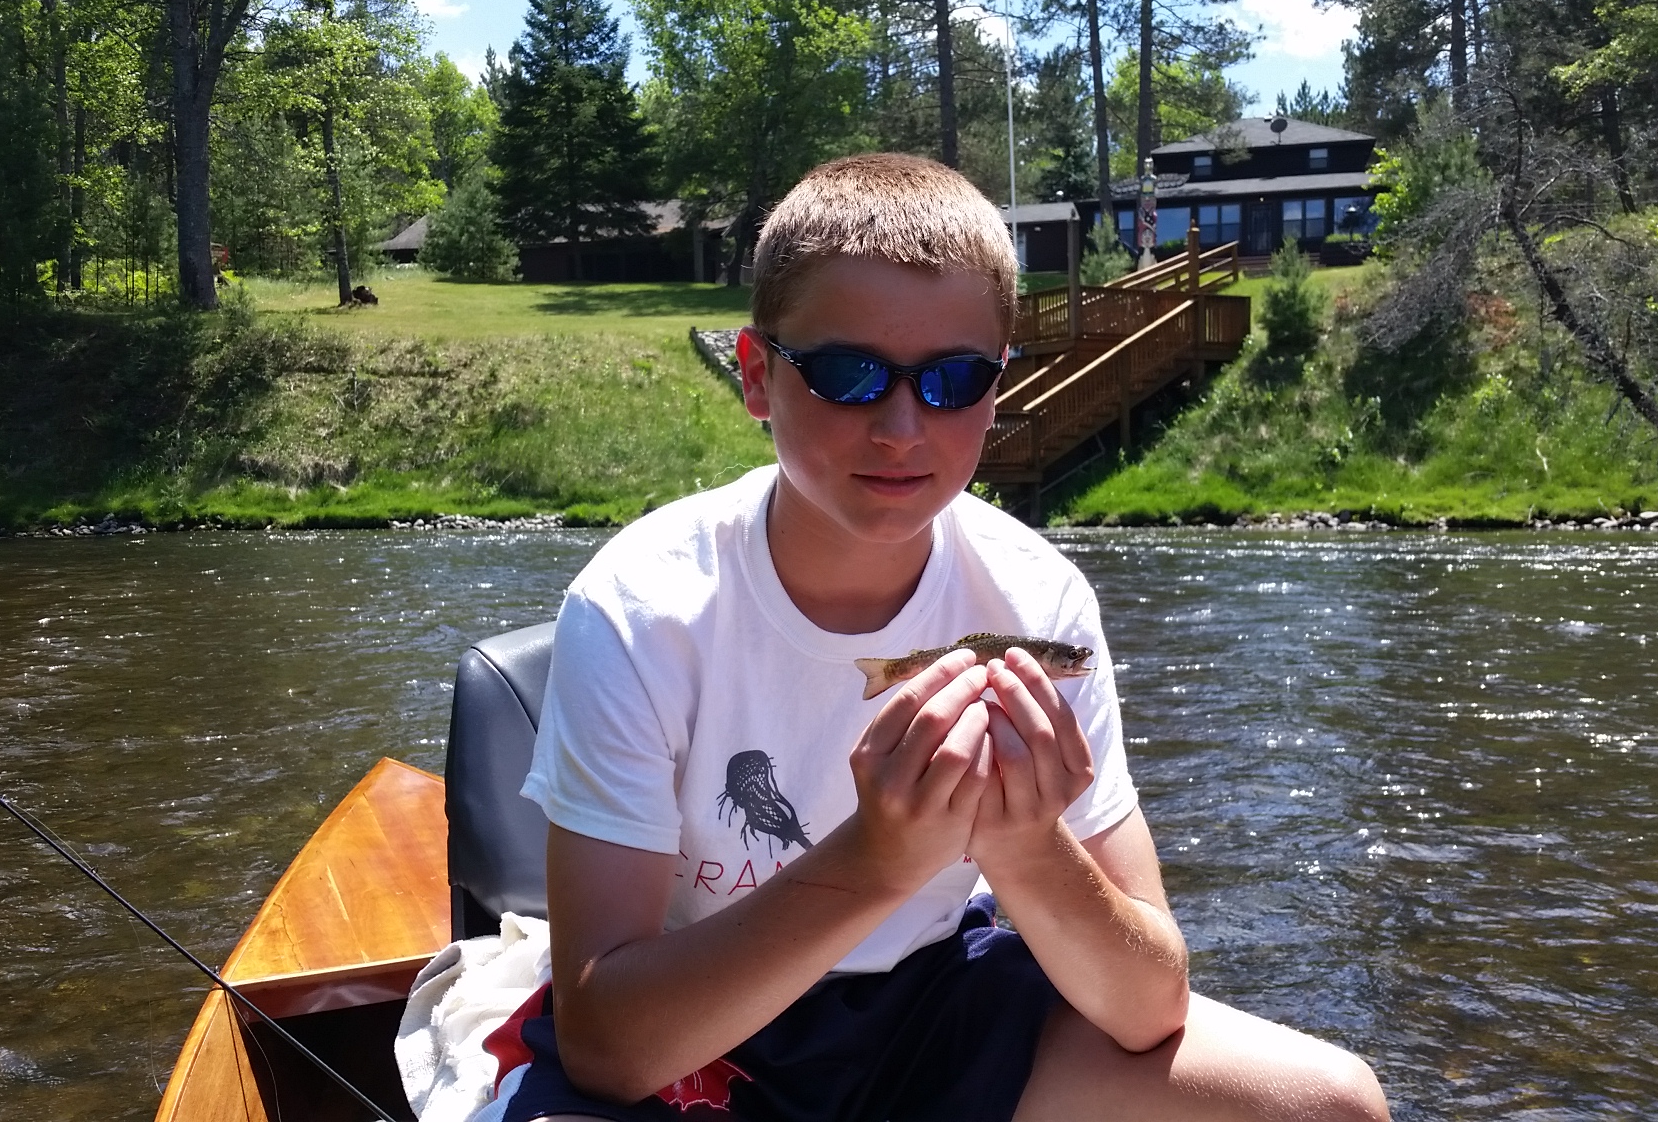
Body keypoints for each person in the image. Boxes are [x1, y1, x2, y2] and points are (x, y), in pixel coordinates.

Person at [502, 153, 1389, 1122]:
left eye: (952, 380)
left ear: (995, 391)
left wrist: (1025, 851)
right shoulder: (637, 610)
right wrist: (878, 861)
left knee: (1331, 1105)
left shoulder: (1035, 602)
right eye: (846, 374)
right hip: (700, 1017)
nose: (900, 427)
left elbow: (1147, 1008)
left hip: (928, 1003)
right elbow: (601, 1047)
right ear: (756, 378)